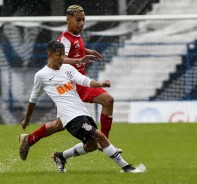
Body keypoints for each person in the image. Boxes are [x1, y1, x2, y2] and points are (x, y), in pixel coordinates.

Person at [21, 40, 146, 173]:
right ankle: (127, 168)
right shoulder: (41, 75)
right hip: (71, 118)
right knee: (100, 137)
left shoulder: (68, 69)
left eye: (63, 54)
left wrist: (100, 84)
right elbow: (33, 99)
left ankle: (60, 156)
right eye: (59, 55)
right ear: (50, 54)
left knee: (91, 146)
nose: (62, 58)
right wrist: (27, 119)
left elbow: (84, 80)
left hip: (82, 113)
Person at [19, 5, 120, 161]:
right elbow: (61, 57)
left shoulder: (75, 35)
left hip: (79, 82)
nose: (81, 23)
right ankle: (104, 142)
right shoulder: (65, 38)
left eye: (83, 20)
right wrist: (80, 59)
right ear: (68, 19)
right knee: (107, 100)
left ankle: (29, 139)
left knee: (59, 125)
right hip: (73, 85)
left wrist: (87, 50)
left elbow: (75, 48)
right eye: (78, 20)